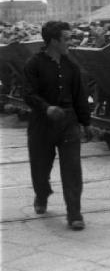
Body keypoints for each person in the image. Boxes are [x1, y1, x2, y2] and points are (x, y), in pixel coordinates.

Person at [23, 21, 92, 230]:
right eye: (67, 38)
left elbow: (80, 96)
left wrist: (86, 123)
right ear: (54, 41)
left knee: (72, 169)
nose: (70, 42)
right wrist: (46, 108)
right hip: (42, 123)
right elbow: (28, 94)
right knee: (40, 168)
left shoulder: (71, 66)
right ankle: (42, 194)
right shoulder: (33, 64)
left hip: (68, 122)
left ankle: (74, 214)